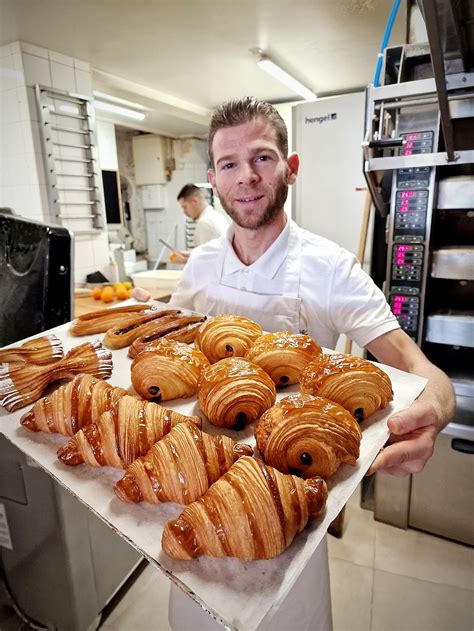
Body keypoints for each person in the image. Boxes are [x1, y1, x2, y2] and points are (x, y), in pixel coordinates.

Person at [167, 97, 456, 631]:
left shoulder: (329, 268)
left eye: (262, 158)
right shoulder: (202, 264)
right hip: (197, 493)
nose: (246, 177)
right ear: (213, 179)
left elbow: (422, 371)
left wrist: (433, 412)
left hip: (289, 499)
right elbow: (174, 348)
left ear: (291, 168)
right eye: (229, 164)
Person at [170, 184, 229, 264]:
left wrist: (184, 260)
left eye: (185, 207)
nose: (184, 212)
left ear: (194, 201)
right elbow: (211, 252)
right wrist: (189, 254)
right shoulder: (216, 216)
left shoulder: (205, 223)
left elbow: (208, 262)